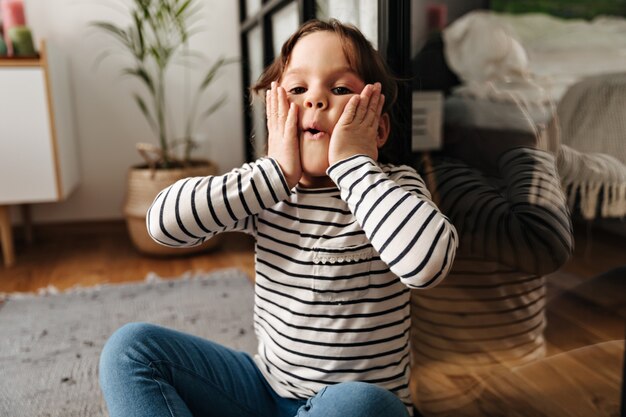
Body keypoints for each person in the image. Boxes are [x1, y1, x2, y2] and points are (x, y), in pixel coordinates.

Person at [98, 19, 458, 417]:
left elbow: (427, 264)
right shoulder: (265, 191)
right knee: (130, 349)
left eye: (339, 89)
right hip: (264, 389)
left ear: (378, 128)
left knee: (361, 404)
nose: (315, 100)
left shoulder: (392, 187)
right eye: (298, 89)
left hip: (351, 405)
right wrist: (275, 173)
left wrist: (355, 165)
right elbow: (161, 223)